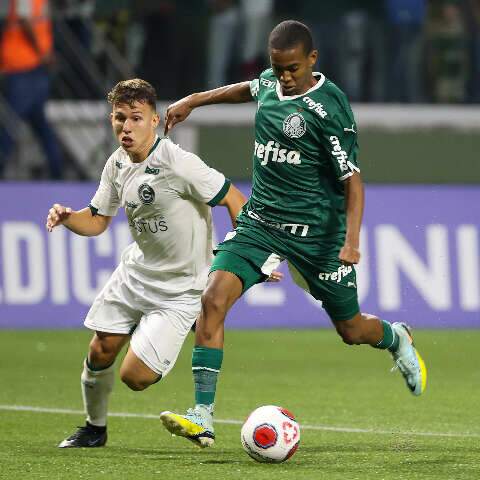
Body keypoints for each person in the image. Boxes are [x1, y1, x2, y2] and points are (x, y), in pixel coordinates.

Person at [159, 20, 427, 448]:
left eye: (293, 68)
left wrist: (351, 240)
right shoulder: (270, 82)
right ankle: (202, 415)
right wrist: (193, 100)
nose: (285, 76)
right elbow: (245, 88)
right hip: (260, 223)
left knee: (352, 329)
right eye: (278, 67)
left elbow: (353, 182)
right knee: (211, 301)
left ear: (313, 60)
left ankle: (397, 337)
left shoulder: (330, 108)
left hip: (316, 233)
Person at [46, 78, 251, 448]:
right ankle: (94, 429)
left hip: (181, 289)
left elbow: (235, 199)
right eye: (119, 118)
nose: (126, 127)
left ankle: (177, 331)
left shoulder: (179, 163)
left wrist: (245, 254)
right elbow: (96, 219)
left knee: (135, 377)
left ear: (154, 120)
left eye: (136, 118)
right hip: (135, 275)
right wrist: (67, 217)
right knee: (100, 349)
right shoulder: (117, 164)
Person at [0, 0, 63, 179]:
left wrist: (42, 52)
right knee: (38, 123)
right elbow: (28, 20)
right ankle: (56, 168)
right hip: (31, 66)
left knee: (11, 123)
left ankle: (1, 166)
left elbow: (25, 19)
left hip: (23, 67)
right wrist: (43, 53)